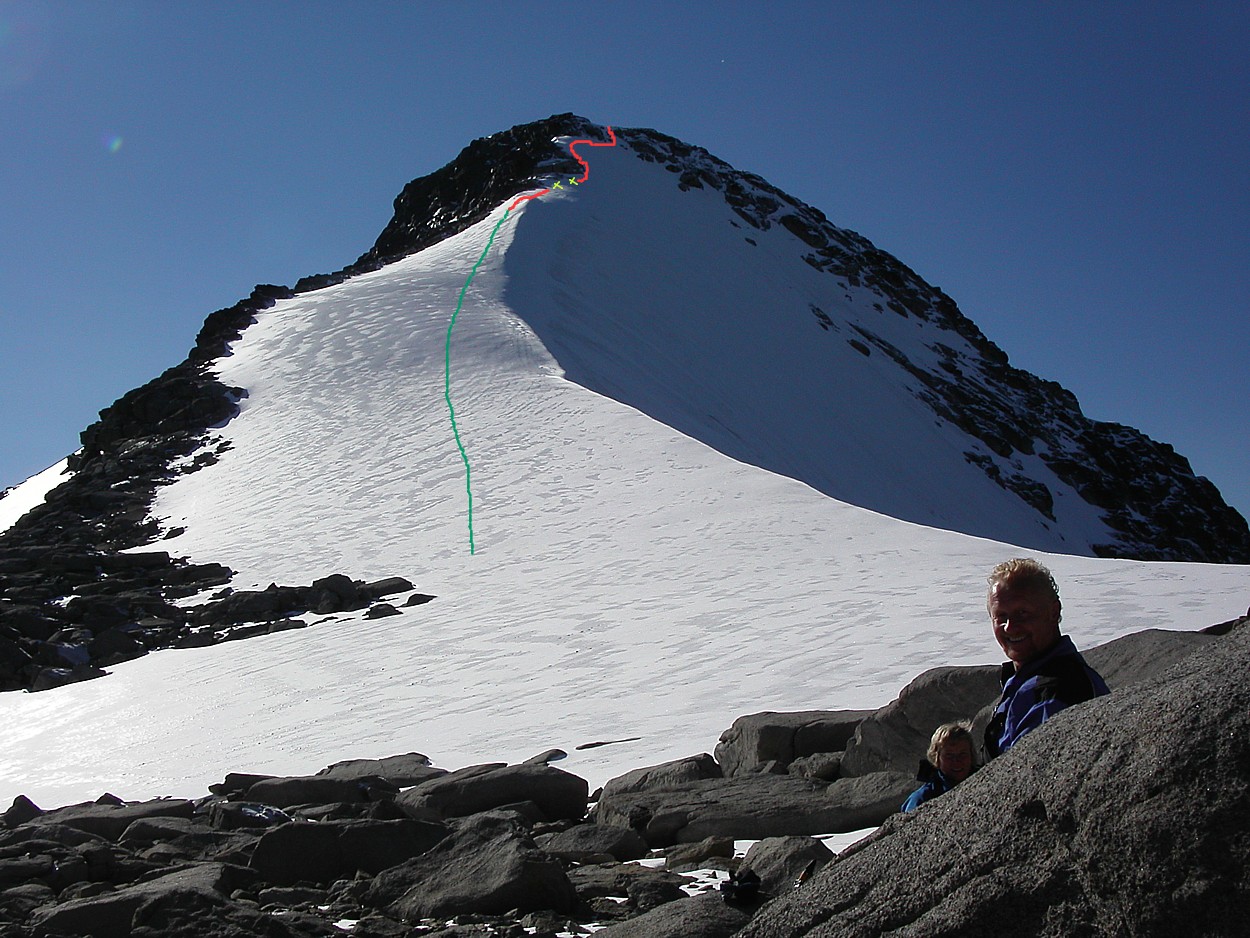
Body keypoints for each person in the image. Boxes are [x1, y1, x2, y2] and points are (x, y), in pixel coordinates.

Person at [983, 558, 1109, 759]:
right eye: (1001, 616)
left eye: (1022, 613)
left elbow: (1025, 770)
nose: (1010, 627)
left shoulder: (1058, 690)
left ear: (1054, 612)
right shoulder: (1028, 683)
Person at [901, 722, 977, 812]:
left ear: (971, 755)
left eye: (962, 754)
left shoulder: (983, 784)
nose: (956, 761)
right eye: (949, 756)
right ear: (936, 758)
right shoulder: (921, 799)